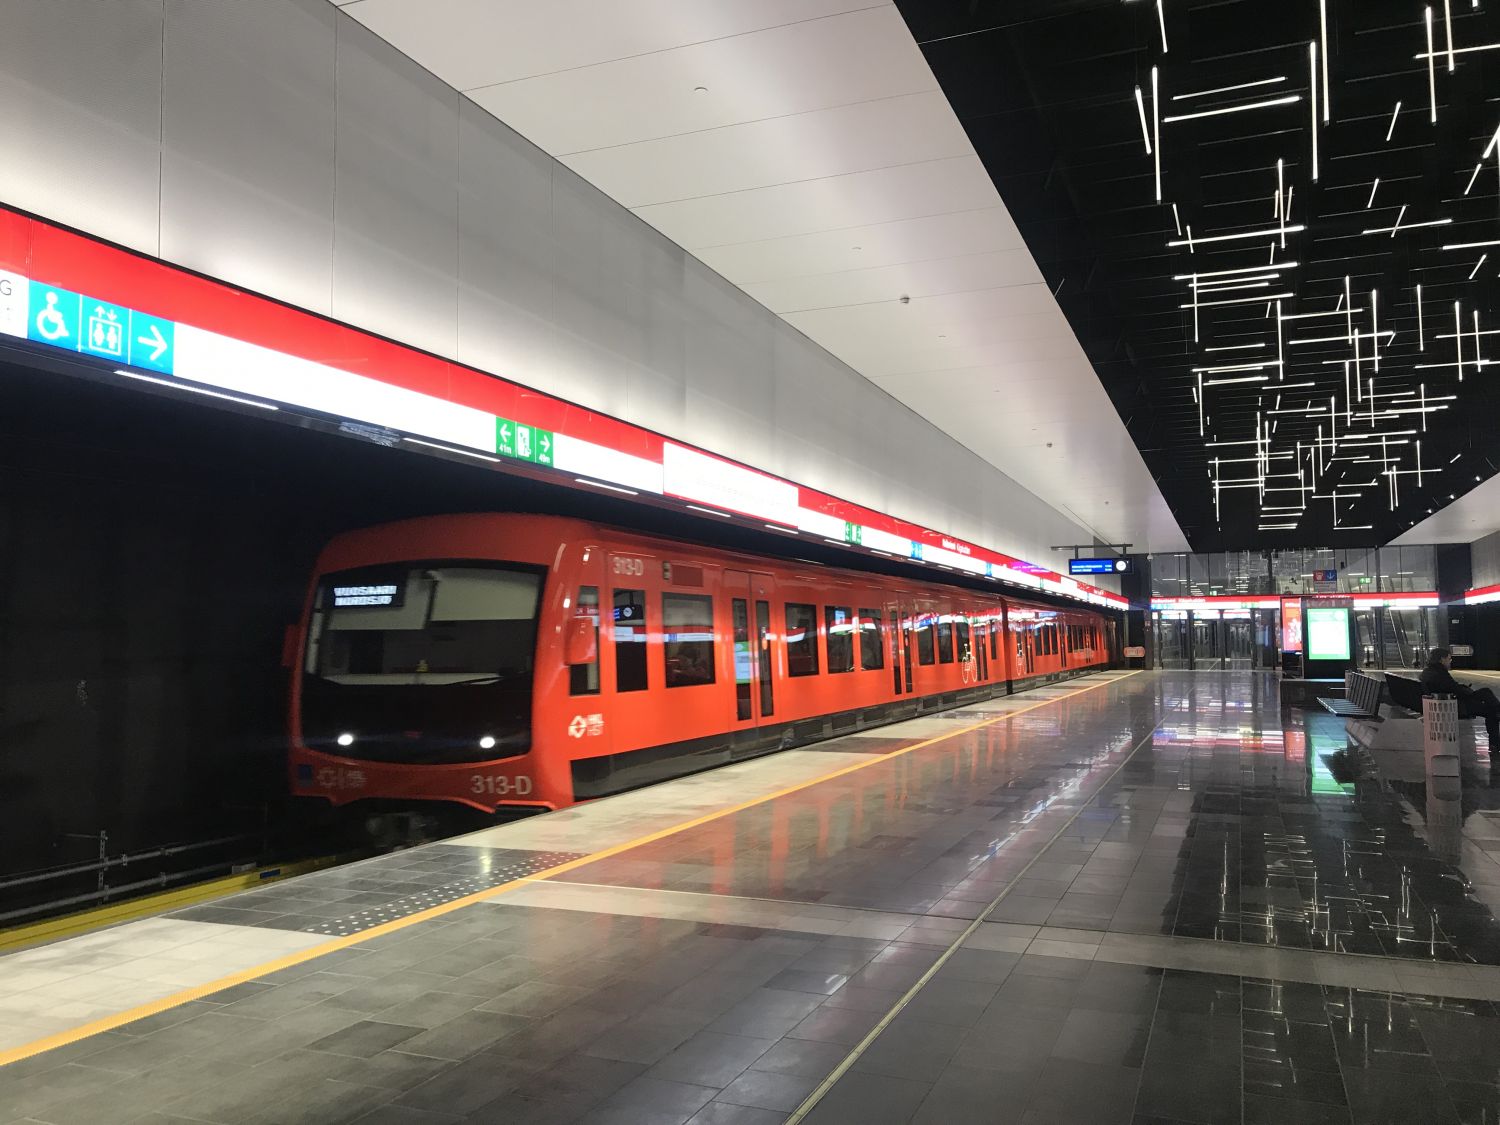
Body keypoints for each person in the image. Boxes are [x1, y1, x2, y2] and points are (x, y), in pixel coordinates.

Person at [1420, 648, 1500, 744]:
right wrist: (1467, 691)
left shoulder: (1428, 672)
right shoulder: (1439, 673)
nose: (1450, 661)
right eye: (1449, 659)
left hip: (1443, 703)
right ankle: (1495, 741)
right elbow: (1455, 689)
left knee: (1491, 707)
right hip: (1454, 705)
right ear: (1442, 659)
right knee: (1487, 697)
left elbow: (1449, 686)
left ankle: (1498, 714)